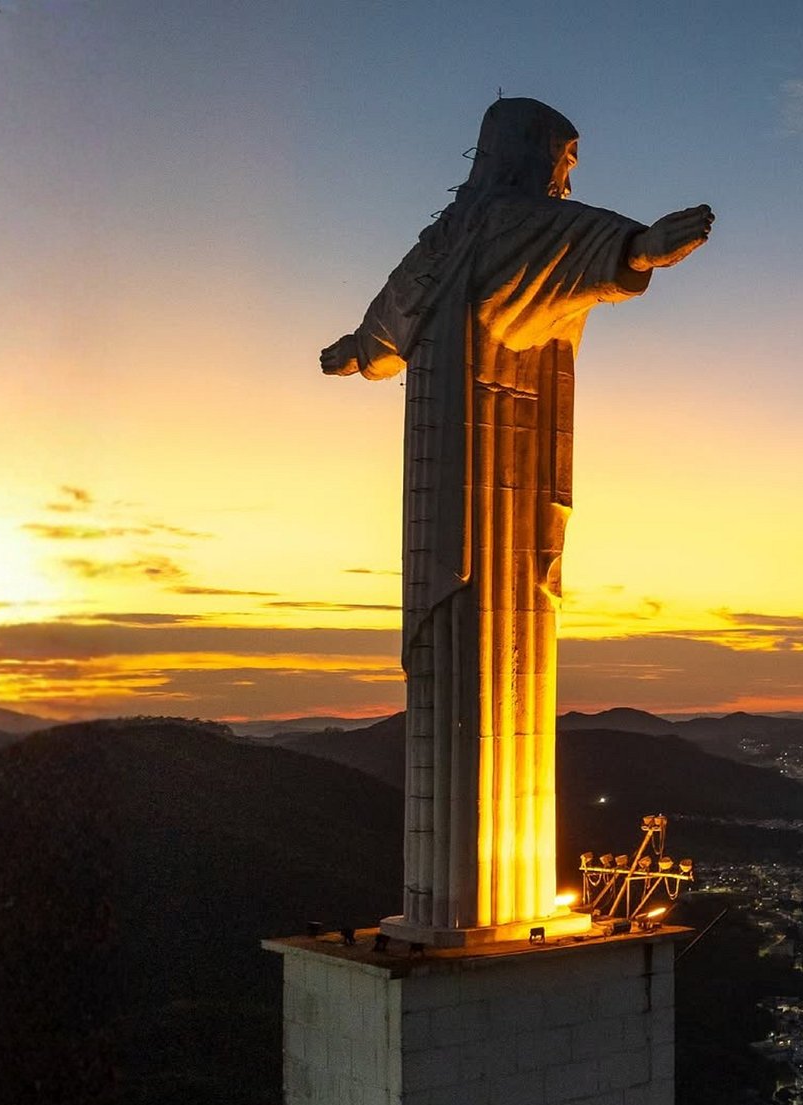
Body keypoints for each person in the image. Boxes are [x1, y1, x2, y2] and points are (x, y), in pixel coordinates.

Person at [321, 98, 711, 934]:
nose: (570, 173)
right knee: (460, 645)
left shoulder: (495, 233)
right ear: (526, 152)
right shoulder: (480, 230)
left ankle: (479, 904)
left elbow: (579, 249)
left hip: (507, 476)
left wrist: (640, 249)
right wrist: (358, 347)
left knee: (493, 634)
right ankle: (464, 910)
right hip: (451, 482)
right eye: (564, 155)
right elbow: (395, 314)